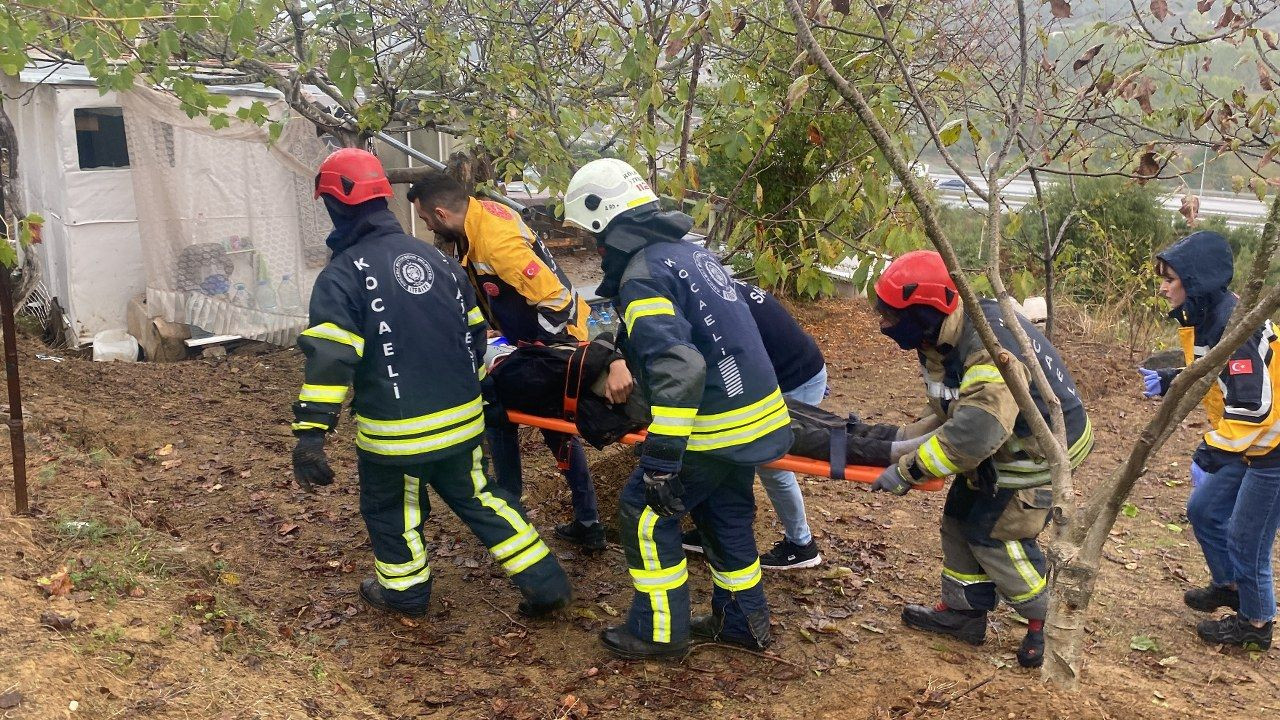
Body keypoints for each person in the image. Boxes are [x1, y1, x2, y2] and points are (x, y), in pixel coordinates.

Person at [290, 148, 571, 619]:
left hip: (395, 436)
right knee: (485, 502)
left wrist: (310, 436)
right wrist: (484, 395)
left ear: (335, 205)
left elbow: (331, 360)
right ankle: (546, 584)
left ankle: (405, 593)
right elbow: (475, 334)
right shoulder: (437, 262)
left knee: (393, 513)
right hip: (463, 424)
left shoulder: (340, 277)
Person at [563, 158, 793, 659]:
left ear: (606, 221)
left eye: (590, 233)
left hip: (710, 429)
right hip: (754, 418)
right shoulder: (691, 254)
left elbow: (680, 369)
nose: (590, 245)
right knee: (725, 513)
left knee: (643, 513)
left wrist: (662, 461)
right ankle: (743, 624)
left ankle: (658, 632)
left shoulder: (642, 276)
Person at [867, 250, 1094, 669]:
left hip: (1040, 452)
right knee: (958, 518)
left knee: (994, 534)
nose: (883, 324)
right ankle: (963, 614)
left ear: (923, 311)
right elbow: (952, 406)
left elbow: (977, 431)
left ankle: (1046, 621)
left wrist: (908, 470)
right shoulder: (939, 333)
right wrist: (901, 442)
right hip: (1005, 440)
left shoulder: (989, 346)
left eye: (891, 315)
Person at [408, 171, 629, 553]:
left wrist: (530, 354)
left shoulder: (496, 243)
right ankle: (583, 522)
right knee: (544, 425)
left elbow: (556, 301)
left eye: (426, 219)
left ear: (441, 213)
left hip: (554, 340)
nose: (427, 226)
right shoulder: (479, 220)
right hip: (528, 336)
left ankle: (514, 514)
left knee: (506, 410)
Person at [1140, 230, 1280, 650]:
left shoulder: (1233, 325)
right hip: (1251, 442)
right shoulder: (1206, 314)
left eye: (1170, 279)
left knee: (1247, 538)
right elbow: (1210, 373)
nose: (1163, 288)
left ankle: (1256, 627)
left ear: (1195, 281)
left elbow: (1254, 406)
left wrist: (1211, 449)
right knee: (1203, 511)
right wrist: (1170, 380)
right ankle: (1230, 587)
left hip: (1272, 449)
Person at [682, 281, 826, 570]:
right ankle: (716, 528)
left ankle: (802, 545)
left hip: (795, 379)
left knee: (772, 464)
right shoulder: (713, 289)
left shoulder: (713, 308)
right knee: (732, 448)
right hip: (789, 369)